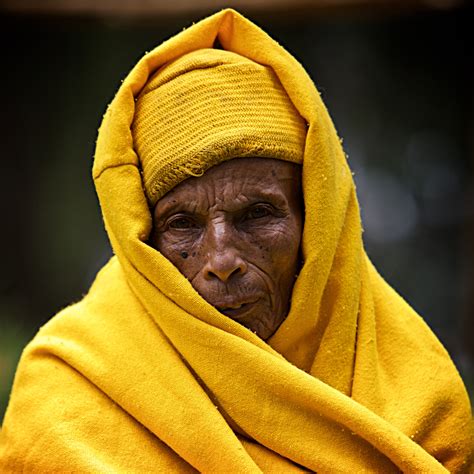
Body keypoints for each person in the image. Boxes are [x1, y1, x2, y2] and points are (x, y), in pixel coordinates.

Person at [0, 8, 472, 473]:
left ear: (320, 223)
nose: (222, 259)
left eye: (259, 214)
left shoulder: (418, 392)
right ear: (140, 241)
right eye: (181, 223)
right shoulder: (68, 390)